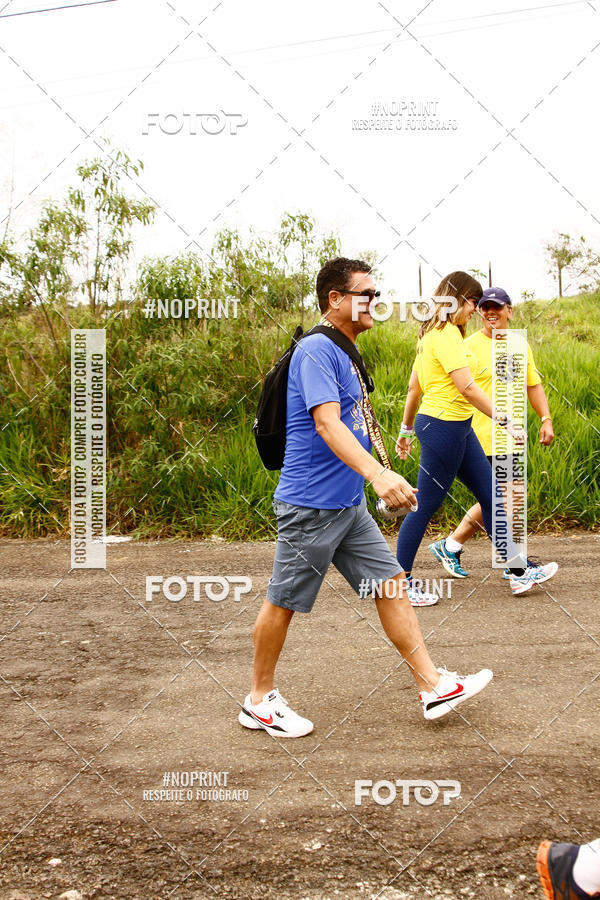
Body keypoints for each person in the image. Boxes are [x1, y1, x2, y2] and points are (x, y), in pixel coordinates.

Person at [239, 258, 493, 738]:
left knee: (390, 583)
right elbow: (327, 422)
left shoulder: (345, 351)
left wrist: (384, 470)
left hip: (346, 505)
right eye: (366, 294)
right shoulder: (316, 349)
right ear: (335, 299)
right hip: (311, 505)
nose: (375, 302)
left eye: (376, 294)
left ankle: (432, 684)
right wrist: (378, 475)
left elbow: (356, 424)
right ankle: (258, 701)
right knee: (283, 602)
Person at [395, 272, 557, 596]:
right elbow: (467, 387)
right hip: (444, 427)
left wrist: (406, 429)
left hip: (456, 426)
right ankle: (400, 583)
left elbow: (415, 387)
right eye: (472, 302)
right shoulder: (446, 336)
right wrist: (506, 420)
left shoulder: (431, 335)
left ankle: (517, 570)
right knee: (424, 504)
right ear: (456, 299)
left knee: (493, 497)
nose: (475, 309)